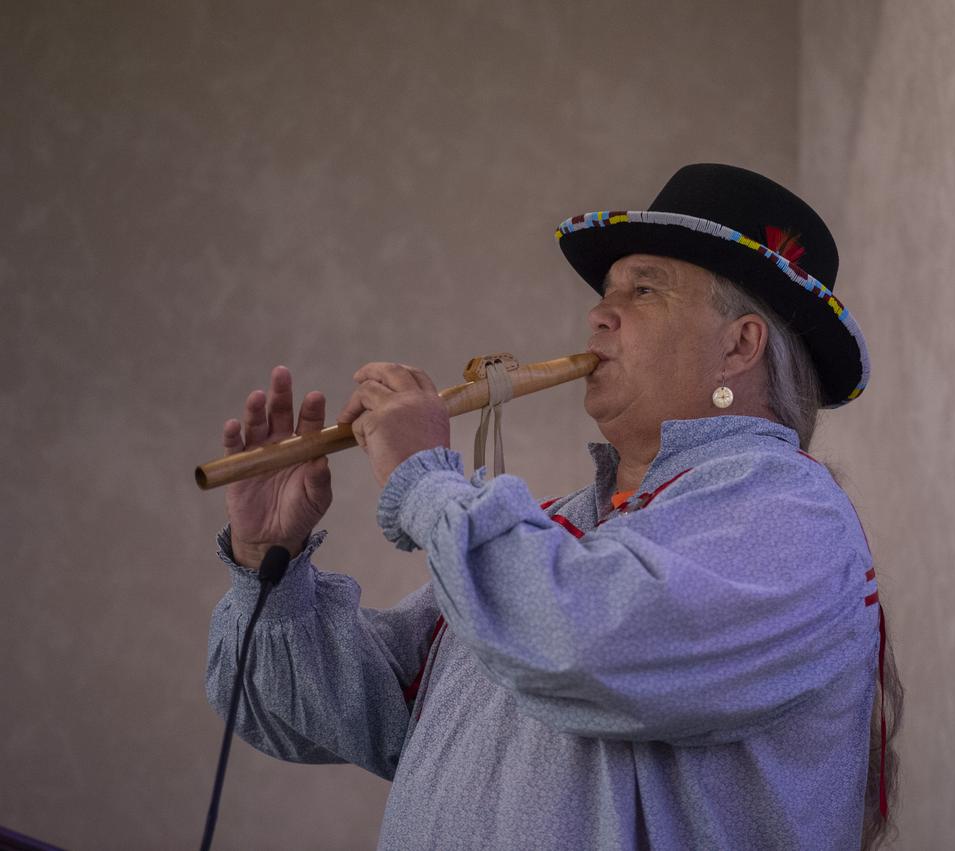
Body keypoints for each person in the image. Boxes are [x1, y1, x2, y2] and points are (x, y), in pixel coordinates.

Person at [207, 163, 897, 850]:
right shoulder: (560, 532)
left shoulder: (791, 513)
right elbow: (347, 710)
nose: (599, 314)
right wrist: (269, 559)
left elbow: (588, 644)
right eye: (606, 291)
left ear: (738, 345)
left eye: (644, 289)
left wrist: (424, 481)